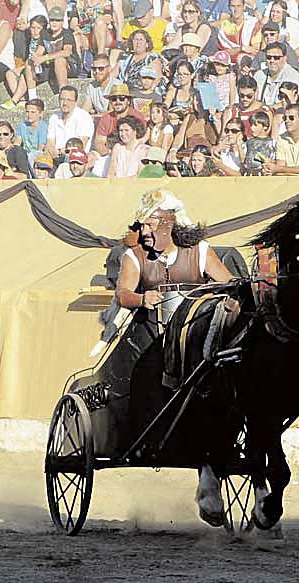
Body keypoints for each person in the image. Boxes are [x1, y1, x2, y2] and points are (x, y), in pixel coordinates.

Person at [111, 189, 234, 525]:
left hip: (198, 333)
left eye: (150, 226)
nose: (144, 232)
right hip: (151, 334)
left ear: (168, 226)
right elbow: (123, 293)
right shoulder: (134, 257)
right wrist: (142, 298)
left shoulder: (200, 252)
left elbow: (228, 284)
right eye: (143, 227)